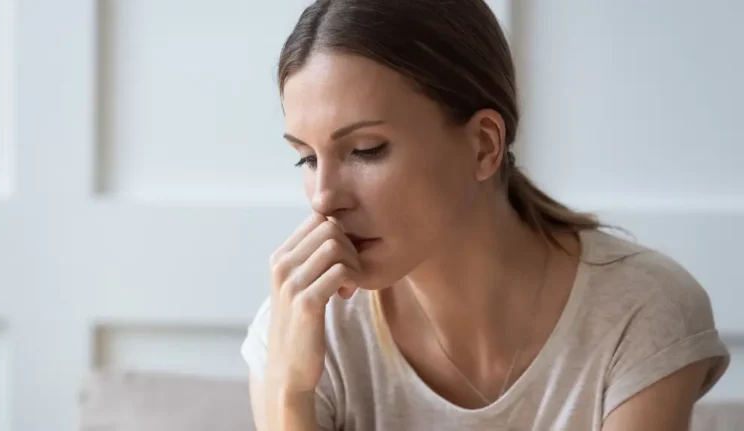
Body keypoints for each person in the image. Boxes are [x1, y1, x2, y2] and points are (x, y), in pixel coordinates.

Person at [240, 0, 730, 429]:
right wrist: (289, 392)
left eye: (366, 150)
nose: (323, 198)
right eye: (306, 157)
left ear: (483, 145)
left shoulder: (640, 315)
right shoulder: (302, 327)